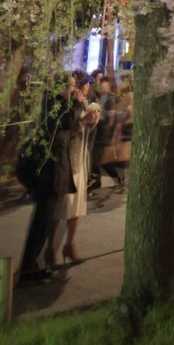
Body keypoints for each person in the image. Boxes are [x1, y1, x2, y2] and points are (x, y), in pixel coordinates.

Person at [14, 84, 70, 284]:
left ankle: (32, 267)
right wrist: (72, 103)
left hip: (51, 178)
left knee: (42, 226)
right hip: (48, 178)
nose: (72, 90)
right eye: (69, 87)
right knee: (40, 226)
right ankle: (27, 270)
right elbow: (65, 122)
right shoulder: (52, 115)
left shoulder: (52, 112)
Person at [51, 75, 101, 263]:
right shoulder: (64, 104)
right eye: (85, 85)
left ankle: (70, 245)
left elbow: (87, 130)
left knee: (78, 206)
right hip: (68, 160)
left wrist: (92, 119)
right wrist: (82, 119)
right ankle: (50, 249)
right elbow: (65, 130)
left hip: (80, 158)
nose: (87, 88)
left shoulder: (83, 102)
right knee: (62, 206)